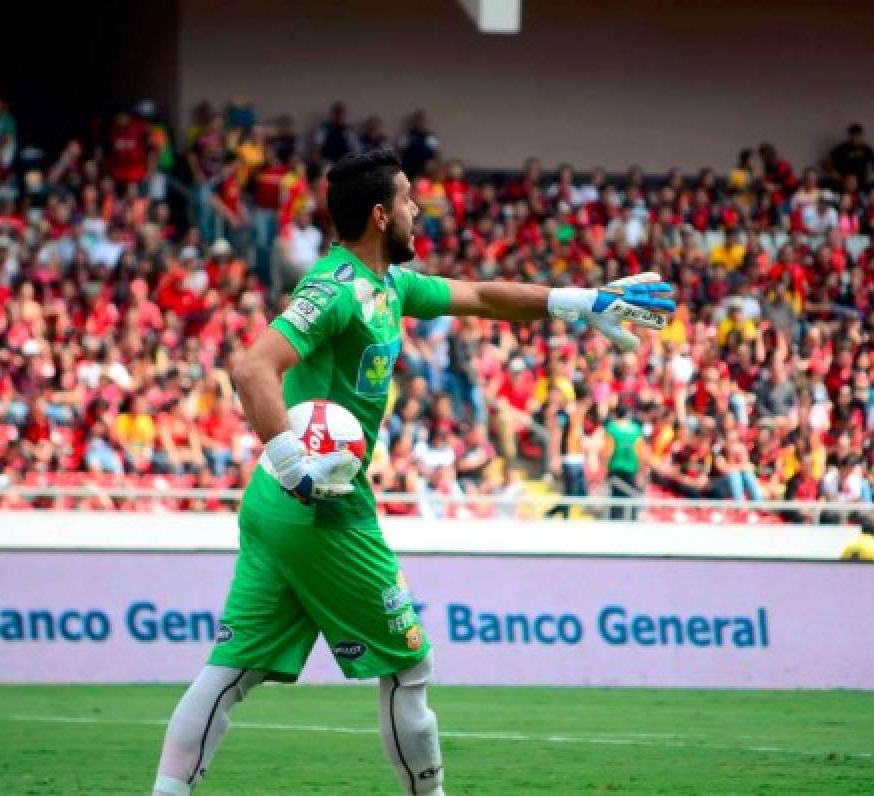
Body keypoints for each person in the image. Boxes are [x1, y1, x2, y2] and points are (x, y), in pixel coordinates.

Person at [149, 149, 675, 796]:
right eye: (406, 200)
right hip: (321, 504)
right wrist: (293, 463)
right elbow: (253, 367)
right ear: (379, 214)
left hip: (280, 504)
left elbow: (481, 296)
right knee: (409, 666)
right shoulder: (334, 287)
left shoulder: (390, 286)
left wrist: (578, 301)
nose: (416, 210)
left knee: (231, 672)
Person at [825, 123, 874, 189]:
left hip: (861, 184)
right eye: (853, 136)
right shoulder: (841, 149)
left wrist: (872, 174)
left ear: (861, 136)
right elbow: (826, 162)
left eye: (858, 136)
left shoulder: (866, 149)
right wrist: (833, 172)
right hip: (844, 184)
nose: (855, 139)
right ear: (850, 136)